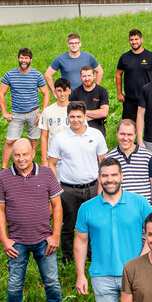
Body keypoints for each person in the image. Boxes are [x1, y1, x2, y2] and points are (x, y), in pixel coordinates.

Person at [76, 157, 152, 302]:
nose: (109, 179)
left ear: (121, 176)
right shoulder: (87, 208)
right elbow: (80, 241)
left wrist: (141, 261)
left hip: (134, 272)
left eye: (113, 175)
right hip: (101, 273)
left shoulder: (139, 203)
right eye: (105, 176)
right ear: (99, 178)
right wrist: (80, 274)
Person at [0, 139, 66, 302]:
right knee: (15, 283)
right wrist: (4, 239)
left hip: (44, 239)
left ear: (33, 153)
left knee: (51, 280)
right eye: (17, 155)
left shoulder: (47, 174)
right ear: (12, 155)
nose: (21, 158)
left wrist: (55, 235)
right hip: (17, 242)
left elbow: (57, 206)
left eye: (25, 154)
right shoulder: (4, 177)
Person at [48, 102, 111, 263]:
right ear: (67, 117)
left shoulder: (96, 135)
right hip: (68, 189)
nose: (76, 120)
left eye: (79, 117)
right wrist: (55, 187)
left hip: (92, 187)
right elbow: (52, 164)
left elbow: (104, 161)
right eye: (72, 117)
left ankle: (92, 255)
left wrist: (102, 185)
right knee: (68, 225)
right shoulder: (60, 138)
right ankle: (68, 258)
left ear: (85, 117)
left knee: (94, 223)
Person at [108, 119, 152, 208]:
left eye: (129, 134)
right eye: (122, 134)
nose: (125, 138)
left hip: (143, 210)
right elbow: (104, 188)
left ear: (135, 135)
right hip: (119, 210)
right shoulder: (109, 158)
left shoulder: (148, 156)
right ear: (117, 133)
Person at [0, 47, 52, 143]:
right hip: (17, 113)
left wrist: (42, 113)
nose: (24, 61)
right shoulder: (10, 74)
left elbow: (46, 94)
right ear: (18, 59)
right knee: (9, 141)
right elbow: (1, 93)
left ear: (30, 59)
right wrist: (4, 113)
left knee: (33, 140)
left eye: (26, 58)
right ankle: (5, 159)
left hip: (34, 113)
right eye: (21, 58)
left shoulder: (37, 75)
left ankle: (31, 158)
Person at [117, 29, 152, 124]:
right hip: (130, 98)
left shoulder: (151, 56)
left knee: (151, 123)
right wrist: (119, 93)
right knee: (128, 124)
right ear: (129, 41)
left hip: (148, 97)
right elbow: (118, 74)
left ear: (141, 39)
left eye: (136, 39)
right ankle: (130, 139)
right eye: (131, 40)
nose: (134, 42)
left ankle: (148, 139)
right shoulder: (124, 57)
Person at [47, 32, 100, 103]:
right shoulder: (60, 59)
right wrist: (54, 92)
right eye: (71, 43)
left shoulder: (88, 57)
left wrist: (95, 88)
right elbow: (47, 74)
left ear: (80, 44)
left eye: (76, 43)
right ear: (68, 44)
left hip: (87, 95)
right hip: (68, 97)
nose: (74, 45)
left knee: (86, 113)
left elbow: (100, 71)